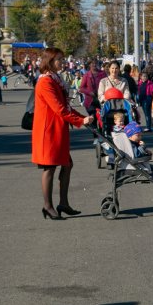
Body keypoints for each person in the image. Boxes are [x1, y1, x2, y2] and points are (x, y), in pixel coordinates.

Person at [31, 48, 94, 220]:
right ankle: (47, 205)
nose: (62, 62)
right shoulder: (45, 82)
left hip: (57, 128)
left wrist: (84, 118)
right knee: (49, 167)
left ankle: (63, 203)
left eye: (62, 59)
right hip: (48, 130)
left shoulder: (55, 79)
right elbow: (59, 108)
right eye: (59, 59)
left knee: (67, 164)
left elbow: (65, 107)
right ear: (50, 61)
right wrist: (81, 121)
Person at [112, 121, 153, 192]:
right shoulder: (131, 145)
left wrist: (146, 151)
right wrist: (143, 147)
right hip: (135, 166)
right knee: (152, 170)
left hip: (134, 164)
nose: (140, 137)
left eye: (141, 135)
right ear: (130, 136)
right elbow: (137, 154)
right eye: (138, 135)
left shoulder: (133, 143)